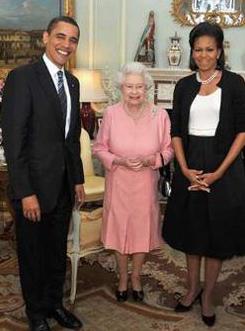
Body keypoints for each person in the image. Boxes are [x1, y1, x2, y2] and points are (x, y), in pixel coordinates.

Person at [2, 16, 85, 331]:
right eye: (60, 37)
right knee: (33, 255)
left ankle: (54, 305)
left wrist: (76, 178)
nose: (66, 44)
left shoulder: (73, 82)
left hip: (62, 186)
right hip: (33, 190)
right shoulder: (22, 78)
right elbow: (14, 140)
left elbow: (71, 138)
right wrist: (25, 192)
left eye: (73, 40)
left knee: (56, 252)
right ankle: (36, 314)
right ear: (46, 38)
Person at [162, 22, 245, 327]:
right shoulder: (183, 86)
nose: (203, 55)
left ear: (220, 51)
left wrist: (218, 173)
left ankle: (208, 295)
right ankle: (191, 287)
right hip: (190, 165)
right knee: (191, 231)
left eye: (210, 49)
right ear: (192, 51)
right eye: (198, 49)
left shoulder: (235, 83)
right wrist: (183, 169)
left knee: (216, 236)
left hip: (224, 168)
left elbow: (242, 133)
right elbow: (176, 132)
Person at [93, 62, 173, 303]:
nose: (135, 91)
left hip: (145, 183)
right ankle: (122, 279)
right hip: (118, 182)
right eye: (129, 86)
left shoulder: (160, 115)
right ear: (121, 88)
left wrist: (152, 160)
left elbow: (168, 150)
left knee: (141, 231)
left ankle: (136, 277)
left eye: (139, 86)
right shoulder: (111, 114)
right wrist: (118, 160)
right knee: (119, 230)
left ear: (147, 87)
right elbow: (99, 147)